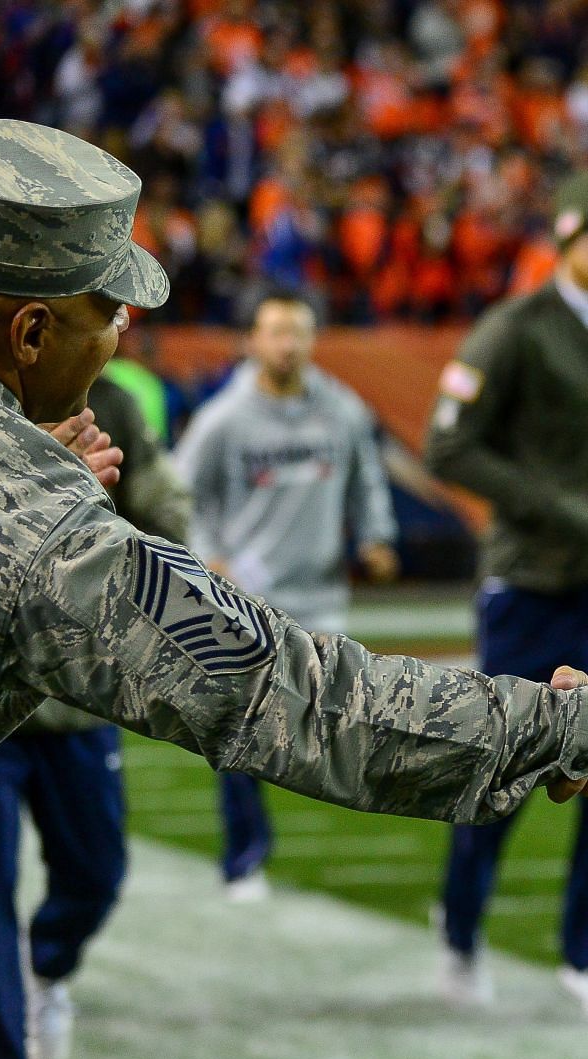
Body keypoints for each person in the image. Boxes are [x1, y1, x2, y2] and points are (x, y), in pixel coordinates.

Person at [0, 120, 588, 1059]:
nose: (123, 337)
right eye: (109, 312)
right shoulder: (28, 536)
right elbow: (305, 699)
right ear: (29, 334)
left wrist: (15, 453)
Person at [422, 170, 588, 1022]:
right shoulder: (516, 328)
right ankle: (460, 926)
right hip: (529, 580)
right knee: (500, 766)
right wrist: (551, 505)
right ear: (565, 242)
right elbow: (448, 444)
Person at [0, 375, 190, 1059]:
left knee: (97, 871)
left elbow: (158, 502)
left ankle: (43, 969)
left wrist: (167, 554)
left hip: (79, 701)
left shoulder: (109, 402)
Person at [173, 290, 402, 900]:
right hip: (251, 596)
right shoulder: (224, 419)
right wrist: (206, 556)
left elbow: (368, 478)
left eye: (298, 331)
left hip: (323, 592)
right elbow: (177, 493)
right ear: (252, 339)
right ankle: (245, 857)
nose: (288, 344)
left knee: (333, 718)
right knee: (242, 726)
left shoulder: (343, 411)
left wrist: (377, 537)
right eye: (275, 331)